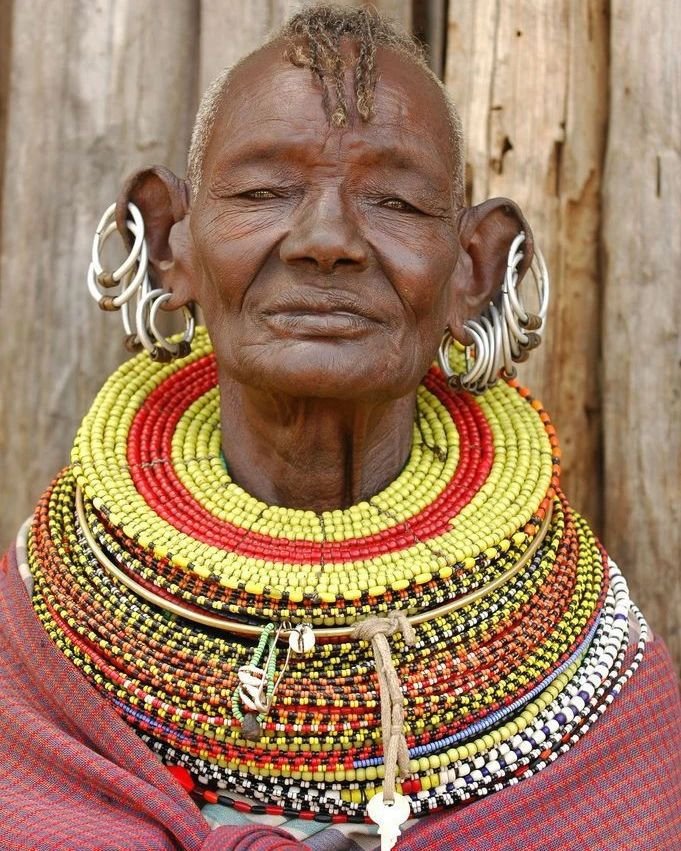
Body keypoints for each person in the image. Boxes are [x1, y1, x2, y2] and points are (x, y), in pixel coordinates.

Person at [1, 6, 680, 850]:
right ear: (169, 240)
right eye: (263, 191)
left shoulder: (599, 699)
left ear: (475, 266)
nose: (327, 241)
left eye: (393, 199)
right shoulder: (31, 656)